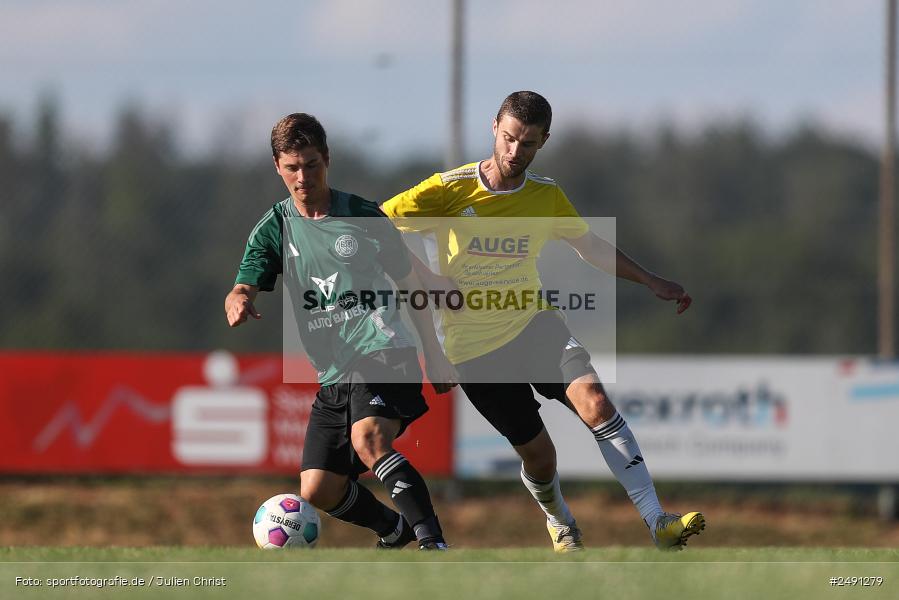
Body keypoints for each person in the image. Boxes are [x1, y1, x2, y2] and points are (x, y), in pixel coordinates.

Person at [381, 91, 705, 552]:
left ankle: (658, 522)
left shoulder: (545, 196)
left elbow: (589, 246)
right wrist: (427, 275)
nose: (515, 152)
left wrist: (650, 280)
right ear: (494, 127)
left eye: (528, 144)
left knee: (596, 402)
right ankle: (561, 522)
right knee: (540, 456)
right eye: (510, 138)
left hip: (535, 325)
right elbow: (376, 223)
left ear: (543, 142)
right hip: (474, 350)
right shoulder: (448, 189)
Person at [225, 113, 458, 550]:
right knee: (317, 489)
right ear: (277, 166)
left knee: (368, 438)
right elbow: (243, 283)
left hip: (385, 351)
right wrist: (239, 298)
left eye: (311, 165)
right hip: (334, 375)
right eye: (292, 167)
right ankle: (396, 529)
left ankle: (433, 544)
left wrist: (436, 353)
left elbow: (411, 284)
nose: (302, 177)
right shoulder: (275, 228)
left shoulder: (364, 216)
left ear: (327, 160)